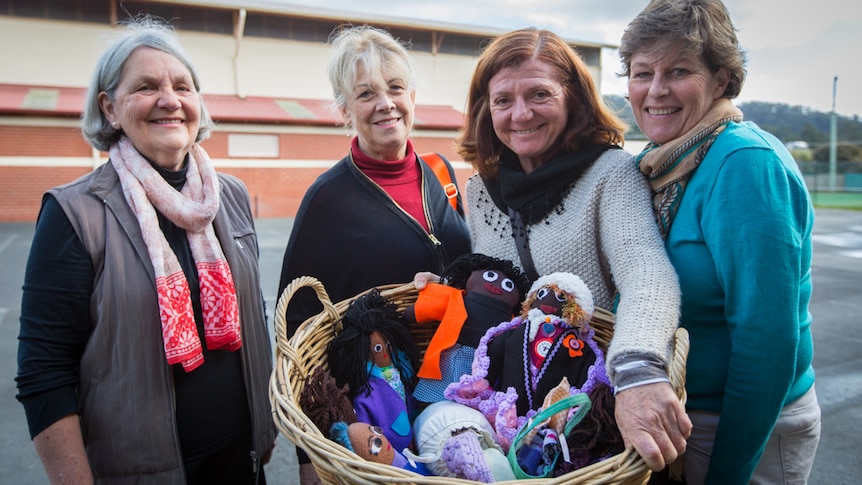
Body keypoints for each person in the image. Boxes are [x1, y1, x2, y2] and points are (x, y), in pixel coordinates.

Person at [15, 16, 276, 484]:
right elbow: (45, 374)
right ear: (110, 108)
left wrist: (265, 424)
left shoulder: (230, 196)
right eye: (147, 86)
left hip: (241, 462)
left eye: (182, 86)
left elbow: (252, 316)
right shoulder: (76, 213)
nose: (169, 100)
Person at [416, 26, 689, 472]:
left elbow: (647, 275)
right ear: (487, 109)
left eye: (539, 94)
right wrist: (444, 287)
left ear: (573, 99)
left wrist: (638, 371)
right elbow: (495, 292)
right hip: (504, 394)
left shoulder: (610, 173)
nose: (519, 114)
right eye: (503, 100)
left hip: (583, 404)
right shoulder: (480, 190)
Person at [618, 1, 821, 483]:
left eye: (679, 70)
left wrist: (729, 470)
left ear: (722, 81)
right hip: (678, 421)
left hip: (741, 428)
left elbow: (767, 339)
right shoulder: (658, 162)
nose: (656, 90)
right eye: (642, 72)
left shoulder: (744, 163)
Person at [276, 24, 471, 484]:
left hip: (455, 389)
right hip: (379, 408)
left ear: (413, 98)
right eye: (366, 94)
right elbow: (297, 328)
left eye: (395, 88)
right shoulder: (327, 200)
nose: (385, 103)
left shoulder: (439, 174)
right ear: (345, 111)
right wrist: (310, 457)